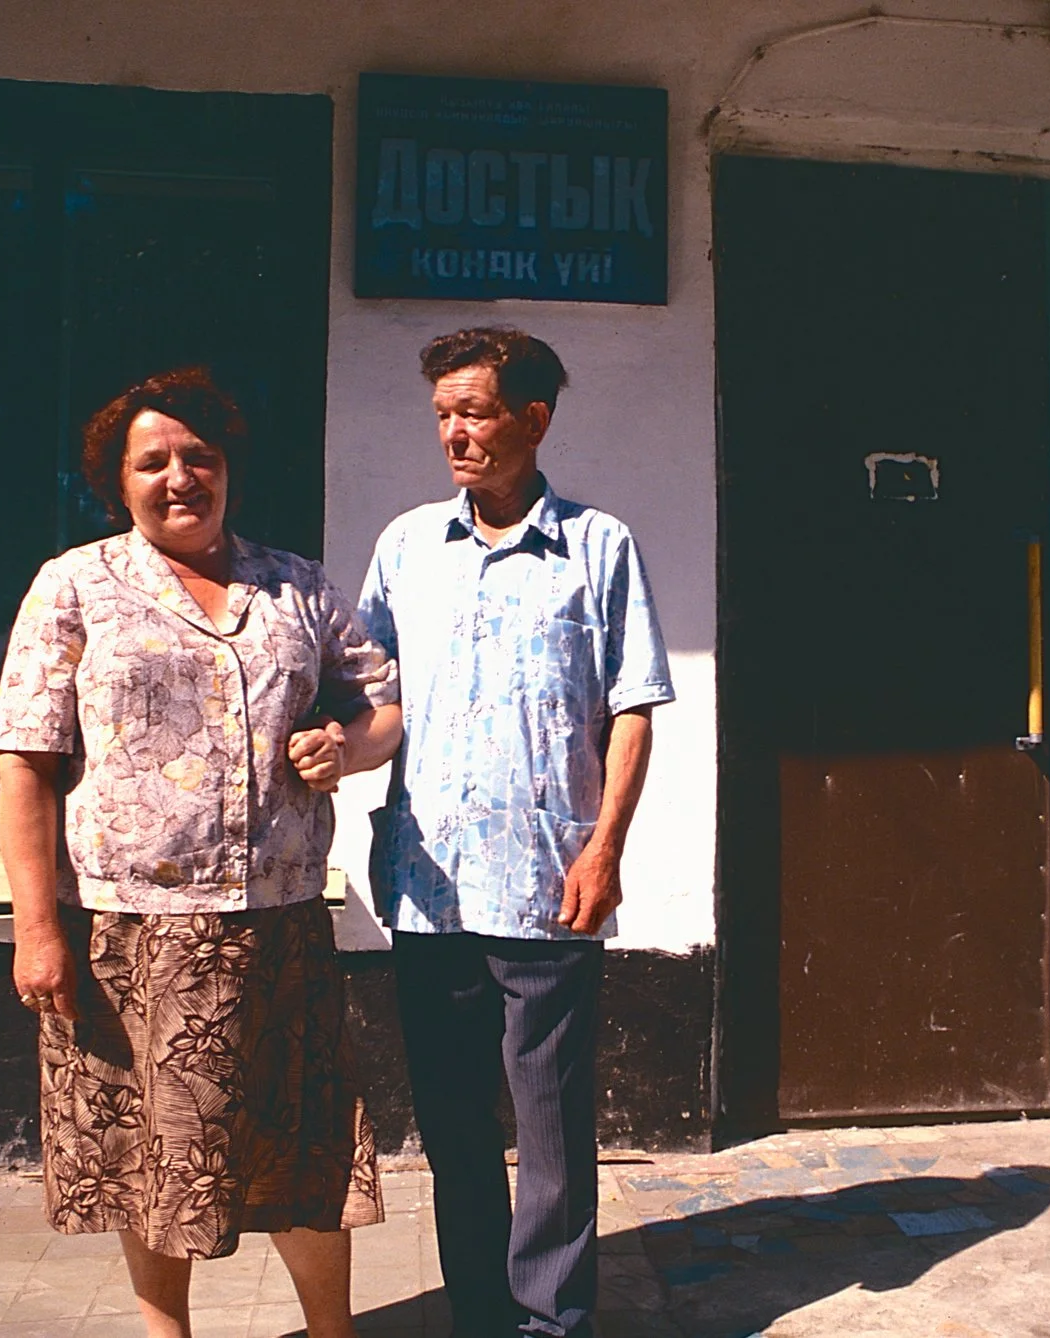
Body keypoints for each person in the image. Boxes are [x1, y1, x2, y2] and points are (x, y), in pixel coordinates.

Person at [0, 367, 401, 1338]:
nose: (180, 477)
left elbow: (382, 705)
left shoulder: (295, 587)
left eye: (199, 458)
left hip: (282, 927)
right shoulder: (74, 586)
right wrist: (35, 928)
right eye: (153, 461)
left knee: (306, 1145)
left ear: (228, 472)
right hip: (136, 936)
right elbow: (25, 765)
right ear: (118, 482)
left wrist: (347, 744)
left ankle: (332, 1332)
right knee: (154, 1156)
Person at [356, 328, 675, 1337]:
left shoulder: (597, 547)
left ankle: (550, 1323)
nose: (453, 431)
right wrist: (336, 745)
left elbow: (630, 707)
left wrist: (605, 848)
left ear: (532, 420)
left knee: (550, 1130)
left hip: (550, 882)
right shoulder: (406, 546)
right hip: (429, 882)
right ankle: (480, 1317)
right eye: (443, 412)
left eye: (475, 411)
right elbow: (374, 694)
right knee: (453, 1130)